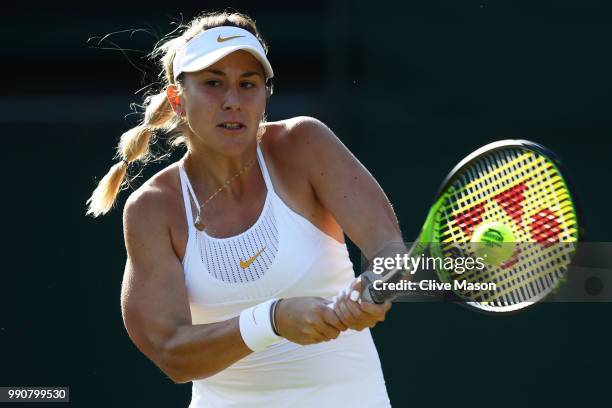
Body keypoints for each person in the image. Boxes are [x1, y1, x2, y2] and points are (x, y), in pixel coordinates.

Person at [87, 11, 403, 407]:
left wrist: (374, 289)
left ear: (265, 95)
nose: (233, 101)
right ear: (177, 100)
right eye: (213, 83)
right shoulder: (153, 208)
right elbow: (173, 354)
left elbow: (389, 249)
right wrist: (272, 321)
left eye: (247, 84)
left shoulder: (304, 144)